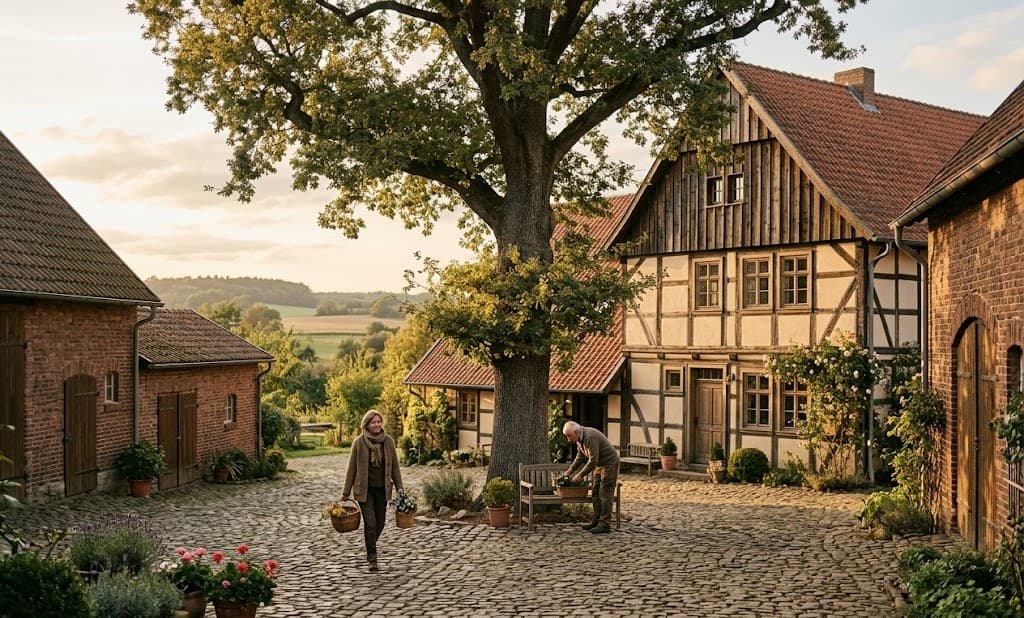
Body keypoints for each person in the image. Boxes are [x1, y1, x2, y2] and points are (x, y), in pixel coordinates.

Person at [342, 409, 404, 571]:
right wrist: (345, 492)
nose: (376, 425)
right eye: (373, 422)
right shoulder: (359, 442)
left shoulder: (388, 442)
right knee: (370, 523)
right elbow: (351, 469)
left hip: (382, 490)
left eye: (378, 422)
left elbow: (395, 468)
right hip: (365, 490)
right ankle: (372, 558)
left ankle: (370, 544)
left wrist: (400, 488)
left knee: (381, 523)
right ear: (367, 425)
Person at [561, 420, 620, 534]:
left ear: (577, 432)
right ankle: (596, 521)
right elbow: (580, 456)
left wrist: (580, 475)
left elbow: (593, 460)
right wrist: (570, 471)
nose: (568, 439)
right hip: (600, 465)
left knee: (604, 494)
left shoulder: (589, 437)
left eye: (569, 436)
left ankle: (604, 525)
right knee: (595, 493)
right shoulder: (580, 439)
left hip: (609, 464)